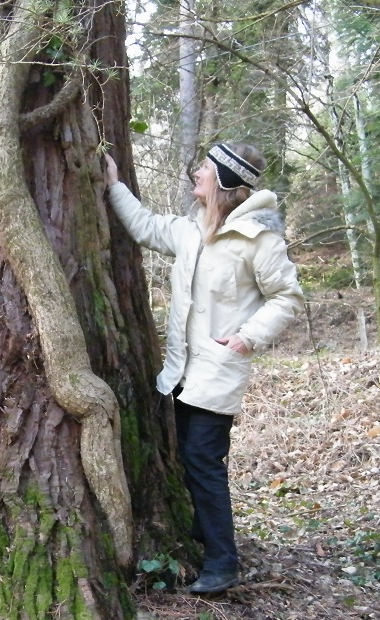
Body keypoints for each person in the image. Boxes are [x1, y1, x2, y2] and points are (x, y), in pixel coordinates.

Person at [105, 143, 304, 594]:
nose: (196, 172)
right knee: (182, 455)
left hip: (218, 369)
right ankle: (199, 530)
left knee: (202, 459)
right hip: (180, 369)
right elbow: (147, 226)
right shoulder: (195, 230)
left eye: (205, 169)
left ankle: (222, 561)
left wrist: (247, 336)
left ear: (224, 181)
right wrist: (112, 184)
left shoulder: (258, 239)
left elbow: (286, 296)